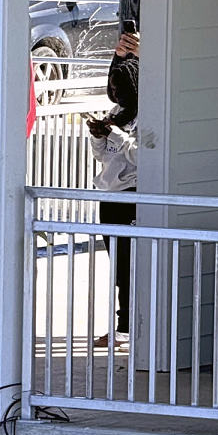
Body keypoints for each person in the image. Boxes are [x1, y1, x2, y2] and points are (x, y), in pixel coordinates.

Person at [88, 28, 139, 346]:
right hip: (109, 194)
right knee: (118, 263)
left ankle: (130, 326)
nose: (116, 94)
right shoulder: (117, 112)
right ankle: (124, 325)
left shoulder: (146, 115)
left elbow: (140, 154)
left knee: (132, 263)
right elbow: (100, 156)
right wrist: (98, 135)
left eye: (121, 88)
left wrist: (117, 134)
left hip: (132, 195)